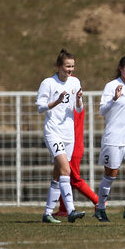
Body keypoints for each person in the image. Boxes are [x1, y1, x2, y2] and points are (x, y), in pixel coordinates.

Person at [35, 49, 86, 224]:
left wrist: (79, 99)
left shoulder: (75, 82)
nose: (70, 70)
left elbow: (79, 109)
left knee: (58, 175)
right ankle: (71, 210)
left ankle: (48, 213)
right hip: (53, 132)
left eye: (72, 66)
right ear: (59, 66)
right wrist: (56, 102)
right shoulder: (48, 83)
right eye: (67, 66)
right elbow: (40, 107)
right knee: (66, 169)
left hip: (68, 134)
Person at [95, 55, 125, 223]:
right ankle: (100, 208)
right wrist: (114, 99)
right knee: (111, 175)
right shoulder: (111, 86)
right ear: (121, 68)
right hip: (113, 138)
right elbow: (102, 111)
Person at [54, 107, 99, 217]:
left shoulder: (72, 107)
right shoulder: (73, 106)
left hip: (73, 147)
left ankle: (98, 202)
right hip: (71, 146)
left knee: (74, 179)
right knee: (63, 177)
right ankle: (63, 208)